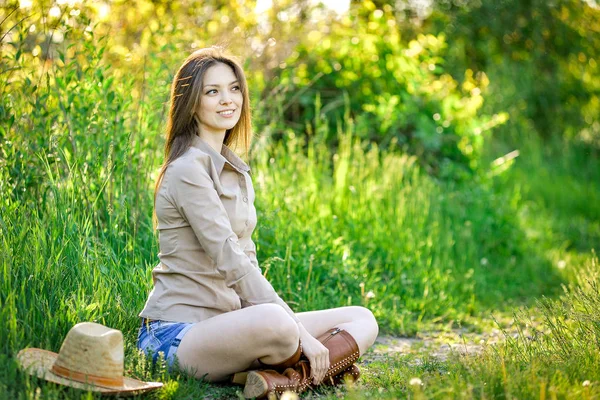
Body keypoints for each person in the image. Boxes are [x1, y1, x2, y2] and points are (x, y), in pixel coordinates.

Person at [137, 46, 379, 398]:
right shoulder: (188, 169)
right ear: (191, 101)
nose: (227, 100)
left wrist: (295, 330)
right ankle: (305, 371)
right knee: (278, 324)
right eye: (213, 91)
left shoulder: (235, 170)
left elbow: (249, 260)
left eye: (234, 89)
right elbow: (231, 260)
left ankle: (276, 380)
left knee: (362, 318)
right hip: (176, 335)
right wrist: (301, 333)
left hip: (232, 325)